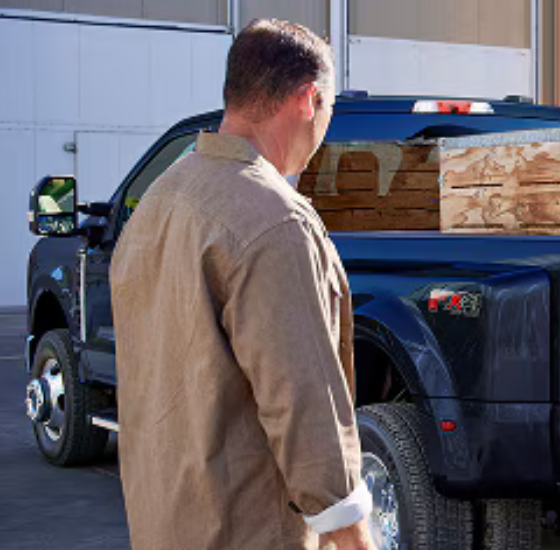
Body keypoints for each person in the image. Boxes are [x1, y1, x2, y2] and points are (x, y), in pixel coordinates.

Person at [111, 19, 374, 550]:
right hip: (246, 531)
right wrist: (354, 539)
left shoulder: (158, 201)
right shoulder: (274, 221)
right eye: (329, 109)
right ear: (309, 100)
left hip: (162, 526)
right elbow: (305, 406)